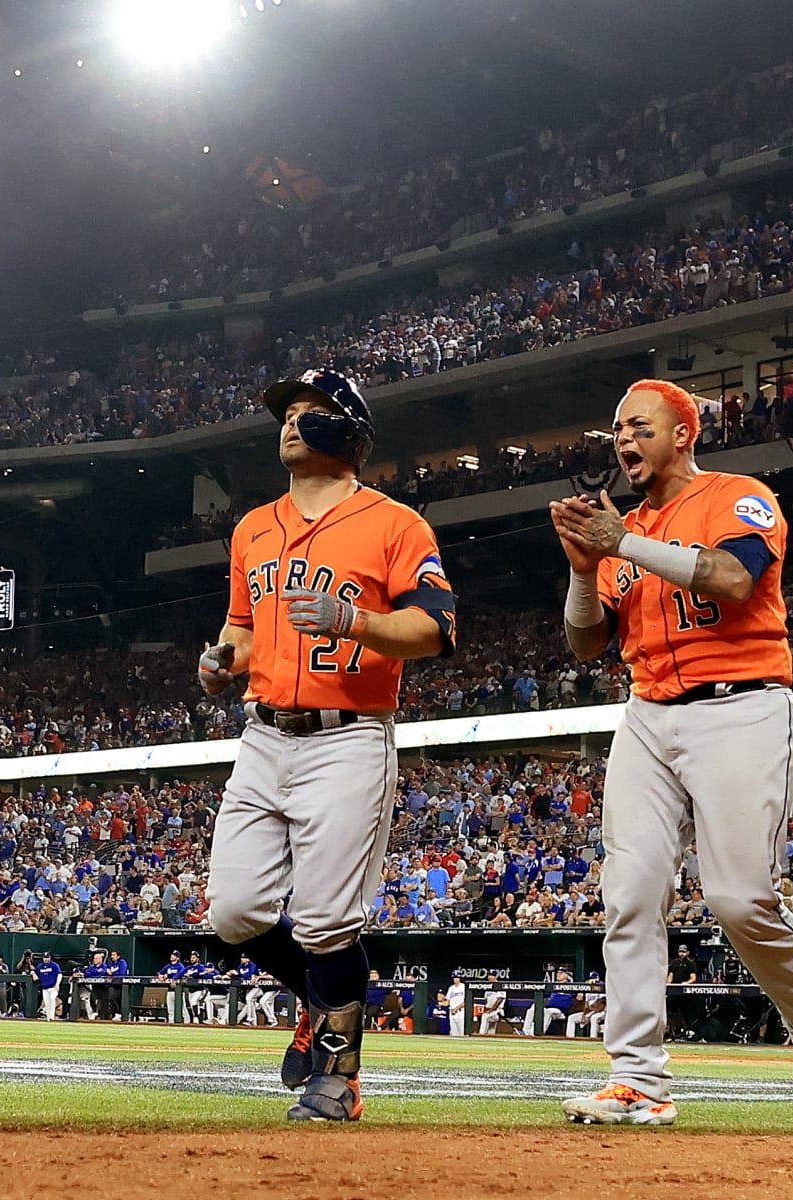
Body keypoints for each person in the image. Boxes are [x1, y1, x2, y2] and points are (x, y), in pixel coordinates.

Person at [553, 379, 793, 1126]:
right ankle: (638, 1080)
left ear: (683, 434)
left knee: (738, 897)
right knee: (630, 895)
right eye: (616, 429)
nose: (622, 440)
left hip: (742, 705)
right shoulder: (624, 531)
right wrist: (587, 570)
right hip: (648, 713)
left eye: (638, 426)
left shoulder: (735, 494)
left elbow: (736, 579)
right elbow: (585, 641)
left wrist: (623, 543)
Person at [200, 369, 457, 1123]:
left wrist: (355, 622)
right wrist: (219, 665)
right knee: (235, 911)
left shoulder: (395, 524)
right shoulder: (252, 527)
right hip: (263, 732)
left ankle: (339, 1080)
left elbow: (436, 628)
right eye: (287, 414)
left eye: (311, 413)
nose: (290, 423)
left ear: (349, 433)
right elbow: (240, 633)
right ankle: (318, 998)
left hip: (349, 736)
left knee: (324, 922)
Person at [32, 950, 64, 1021]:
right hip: (45, 988)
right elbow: (35, 974)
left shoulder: (54, 965)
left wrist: (57, 984)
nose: (46, 959)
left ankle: (51, 1017)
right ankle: (48, 1018)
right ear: (43, 958)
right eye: (45, 958)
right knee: (47, 1003)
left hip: (53, 987)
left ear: (50, 958)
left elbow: (59, 974)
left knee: (52, 999)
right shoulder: (40, 966)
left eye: (47, 957)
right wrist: (33, 973)